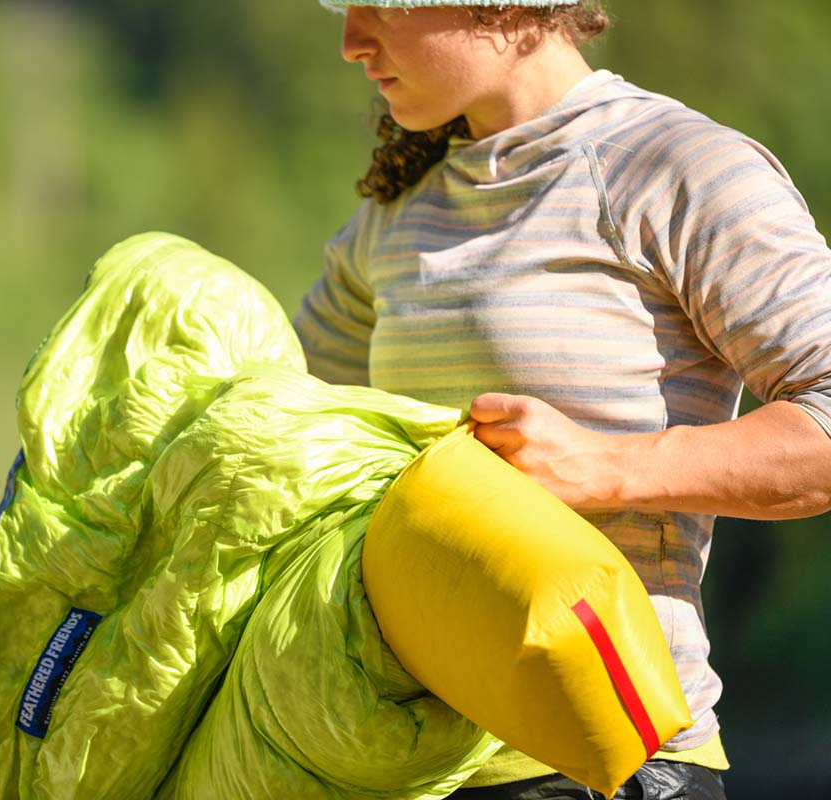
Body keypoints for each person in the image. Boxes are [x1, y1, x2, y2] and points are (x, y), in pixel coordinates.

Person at [293, 1, 831, 798]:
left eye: (379, 5)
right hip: (408, 769)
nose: (350, 41)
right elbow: (282, 417)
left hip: (609, 766)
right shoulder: (392, 216)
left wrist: (607, 467)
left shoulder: (675, 164)